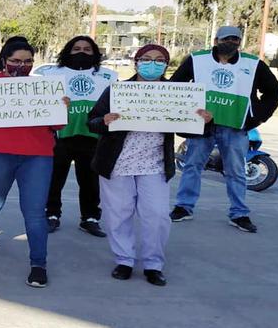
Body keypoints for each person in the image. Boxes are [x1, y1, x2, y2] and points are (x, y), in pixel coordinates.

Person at [87, 44, 213, 286]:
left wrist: (205, 121)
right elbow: (91, 122)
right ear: (136, 62)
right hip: (117, 163)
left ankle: (153, 264)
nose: (151, 63)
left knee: (156, 216)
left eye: (158, 60)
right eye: (146, 58)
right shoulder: (117, 90)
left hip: (154, 164)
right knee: (118, 215)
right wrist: (104, 121)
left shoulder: (177, 93)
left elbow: (190, 129)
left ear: (166, 65)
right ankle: (124, 260)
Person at [0, 37, 68, 288]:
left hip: (37, 157)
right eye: (16, 61)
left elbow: (58, 125)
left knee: (35, 213)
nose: (22, 65)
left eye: (28, 61)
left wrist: (62, 108)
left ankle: (38, 264)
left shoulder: (42, 87)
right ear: (4, 61)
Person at [169, 26, 278, 232]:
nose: (231, 42)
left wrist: (256, 118)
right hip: (201, 126)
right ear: (215, 40)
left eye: (236, 39)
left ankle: (239, 213)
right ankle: (184, 207)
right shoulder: (197, 59)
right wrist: (188, 114)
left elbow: (274, 92)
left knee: (236, 170)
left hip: (235, 127)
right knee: (192, 166)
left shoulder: (253, 64)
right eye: (226, 39)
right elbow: (176, 86)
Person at [35, 36, 118, 236]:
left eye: (87, 49)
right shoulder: (50, 74)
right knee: (54, 179)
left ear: (95, 53)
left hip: (92, 136)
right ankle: (51, 214)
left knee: (90, 181)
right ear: (67, 51)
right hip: (59, 135)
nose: (82, 52)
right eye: (76, 48)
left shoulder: (109, 76)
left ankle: (90, 218)